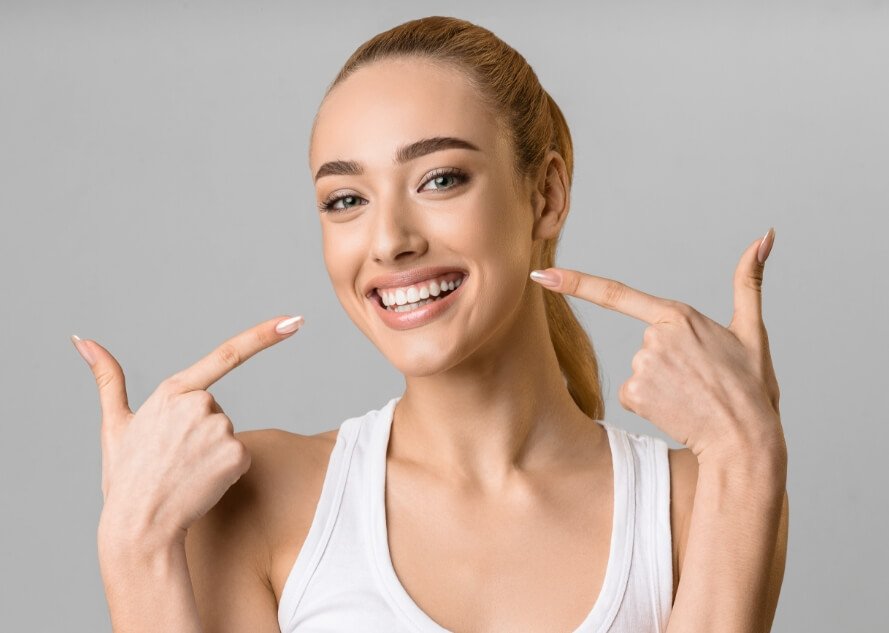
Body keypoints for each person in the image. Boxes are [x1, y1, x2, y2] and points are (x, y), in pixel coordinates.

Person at [73, 15, 789, 633]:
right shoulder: (260, 497)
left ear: (545, 194)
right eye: (345, 199)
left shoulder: (697, 497)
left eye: (439, 179)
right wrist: (134, 547)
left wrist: (748, 451)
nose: (388, 240)